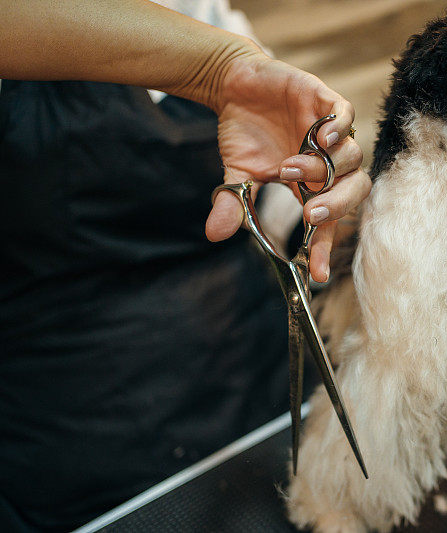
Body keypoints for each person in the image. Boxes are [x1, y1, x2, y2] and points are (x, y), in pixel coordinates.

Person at [0, 1, 372, 530]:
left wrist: (335, 215)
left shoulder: (197, 8)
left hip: (264, 374)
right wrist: (221, 69)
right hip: (84, 438)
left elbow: (275, 195)